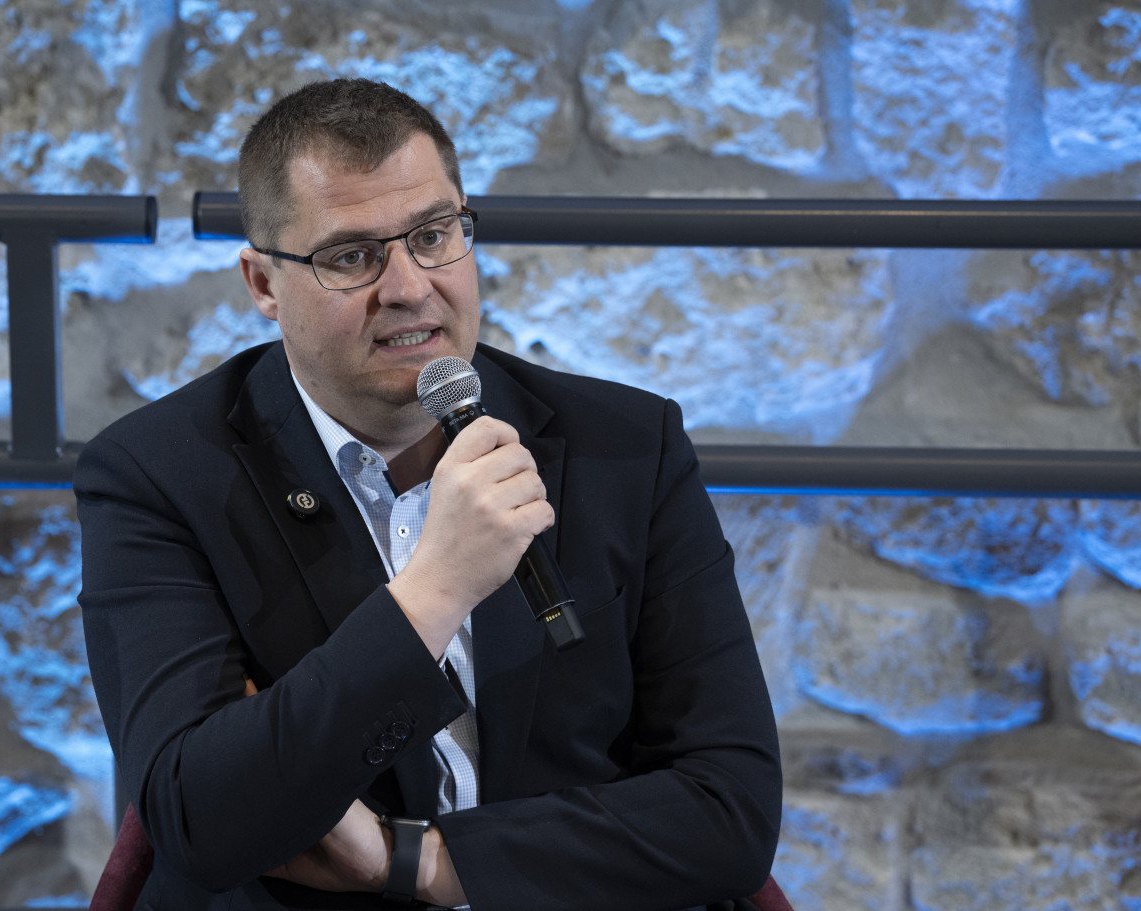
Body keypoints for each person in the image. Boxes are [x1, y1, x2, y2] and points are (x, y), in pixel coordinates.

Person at [76, 78, 781, 911]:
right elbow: (199, 821)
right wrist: (436, 590)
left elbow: (730, 808)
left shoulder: (628, 445)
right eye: (351, 256)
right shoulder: (156, 474)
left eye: (433, 235)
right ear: (263, 283)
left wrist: (413, 862)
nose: (409, 286)